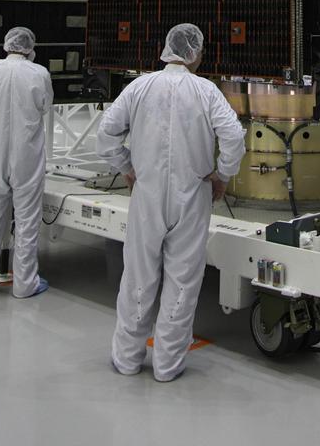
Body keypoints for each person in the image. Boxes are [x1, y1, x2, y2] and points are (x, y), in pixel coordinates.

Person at [97, 23, 246, 382]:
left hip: (146, 194)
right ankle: (167, 366)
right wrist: (222, 175)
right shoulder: (206, 91)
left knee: (137, 276)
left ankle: (127, 359)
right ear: (194, 52)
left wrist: (127, 168)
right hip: (192, 195)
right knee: (182, 279)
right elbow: (233, 136)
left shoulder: (140, 86)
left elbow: (106, 133)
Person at [0, 26, 53, 299]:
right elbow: (45, 105)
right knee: (27, 220)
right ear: (30, 47)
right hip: (25, 154)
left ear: (7, 45)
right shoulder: (38, 73)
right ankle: (25, 284)